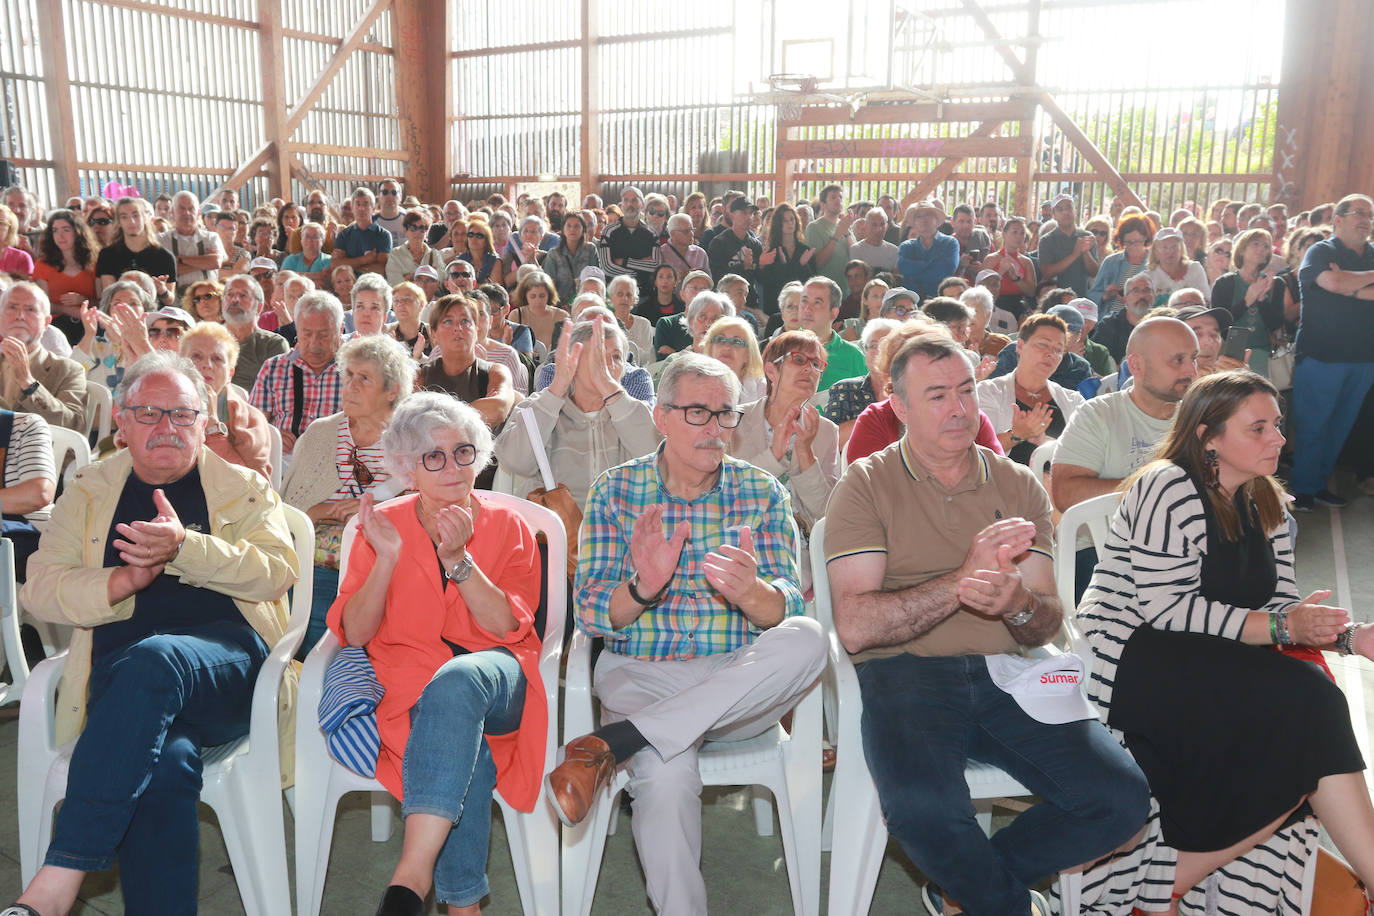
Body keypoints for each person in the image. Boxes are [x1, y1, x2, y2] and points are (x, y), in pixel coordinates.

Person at [824, 331, 1149, 916]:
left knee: (1121, 800)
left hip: (1009, 671)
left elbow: (1047, 620)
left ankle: (965, 890)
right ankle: (1006, 905)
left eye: (967, 391)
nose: (959, 408)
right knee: (923, 808)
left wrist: (1017, 605)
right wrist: (962, 581)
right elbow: (855, 626)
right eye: (938, 395)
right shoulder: (866, 484)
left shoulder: (1018, 483)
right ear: (898, 407)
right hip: (907, 672)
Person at [1075, 370, 1374, 915]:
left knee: (1307, 704)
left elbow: (1280, 602)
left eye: (1277, 426)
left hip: (1212, 651)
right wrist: (1285, 629)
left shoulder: (1268, 501)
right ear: (1208, 437)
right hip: (1134, 652)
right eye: (1258, 428)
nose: (1278, 440)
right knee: (1310, 704)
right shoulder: (1166, 484)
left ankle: (1173, 880)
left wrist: (1352, 636)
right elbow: (1166, 608)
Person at [8, 352, 296, 916]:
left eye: (182, 415)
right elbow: (38, 588)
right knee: (162, 771)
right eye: (148, 413)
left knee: (159, 659)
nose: (166, 427)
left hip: (227, 671)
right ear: (121, 420)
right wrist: (123, 580)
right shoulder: (89, 491)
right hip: (124, 688)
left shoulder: (242, 487)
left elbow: (277, 571)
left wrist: (185, 547)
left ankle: (60, 876)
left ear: (204, 421)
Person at [543, 353, 827, 915]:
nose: (716, 429)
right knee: (667, 778)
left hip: (736, 679)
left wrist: (754, 596)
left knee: (809, 637)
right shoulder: (615, 491)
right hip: (642, 674)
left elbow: (787, 604)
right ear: (662, 417)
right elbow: (595, 614)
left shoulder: (761, 491)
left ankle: (617, 744)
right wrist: (644, 587)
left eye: (725, 415)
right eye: (698, 413)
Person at [329, 393, 547, 916]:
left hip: (500, 680)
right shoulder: (381, 525)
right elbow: (355, 633)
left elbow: (505, 626)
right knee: (456, 736)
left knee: (456, 683)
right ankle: (463, 907)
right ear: (407, 468)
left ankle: (411, 875)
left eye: (464, 452)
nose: (453, 467)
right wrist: (385, 560)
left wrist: (460, 560)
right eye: (434, 457)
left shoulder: (508, 526)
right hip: (411, 693)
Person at [1050, 316, 1199, 599]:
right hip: (1101, 552)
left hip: (1184, 548)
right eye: (1177, 360)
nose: (1191, 370)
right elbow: (1066, 494)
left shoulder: (1202, 416)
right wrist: (1157, 487)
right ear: (1137, 365)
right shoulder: (1098, 415)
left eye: (1194, 358)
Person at [284, 334, 412, 654]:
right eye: (349, 376)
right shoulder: (322, 433)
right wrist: (327, 509)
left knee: (324, 634)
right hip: (310, 566)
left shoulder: (412, 441)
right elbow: (287, 513)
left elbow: (425, 513)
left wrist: (374, 509)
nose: (351, 386)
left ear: (392, 390)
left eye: (364, 378)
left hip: (376, 574)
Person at [493, 316, 659, 510]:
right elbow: (515, 462)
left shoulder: (632, 412)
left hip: (622, 532)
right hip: (557, 534)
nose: (608, 367)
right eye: (597, 357)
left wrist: (612, 393)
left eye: (616, 357)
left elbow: (657, 459)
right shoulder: (540, 407)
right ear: (572, 362)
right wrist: (556, 389)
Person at [1288, 194, 1374, 512]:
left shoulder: (1371, 254)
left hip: (1364, 357)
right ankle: (1303, 490)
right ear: (1337, 220)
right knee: (1314, 425)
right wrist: (1347, 284)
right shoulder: (1320, 250)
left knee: (1340, 426)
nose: (1365, 219)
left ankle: (1319, 484)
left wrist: (1351, 283)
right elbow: (1333, 283)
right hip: (1321, 355)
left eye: (1369, 214)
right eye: (1358, 213)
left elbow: (1339, 284)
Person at [729, 330, 840, 547]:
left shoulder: (826, 431)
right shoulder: (733, 420)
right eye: (799, 359)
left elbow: (826, 512)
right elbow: (727, 490)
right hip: (739, 537)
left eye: (817, 365)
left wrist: (805, 452)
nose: (810, 369)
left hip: (801, 548)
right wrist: (773, 457)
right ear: (771, 370)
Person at [420, 295, 518, 488]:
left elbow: (497, 410)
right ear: (434, 333)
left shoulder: (495, 372)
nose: (458, 328)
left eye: (465, 321)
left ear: (477, 328)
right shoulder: (420, 376)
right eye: (448, 321)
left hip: (484, 481)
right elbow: (411, 424)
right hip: (433, 478)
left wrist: (434, 419)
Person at [976, 313, 1084, 464]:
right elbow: (975, 453)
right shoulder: (988, 392)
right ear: (1020, 346)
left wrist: (1046, 442)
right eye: (1043, 344)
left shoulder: (1073, 400)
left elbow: (1085, 454)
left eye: (1058, 350)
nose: (1050, 354)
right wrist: (1016, 435)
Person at [250, 290, 344, 454]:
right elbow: (252, 426)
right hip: (283, 465)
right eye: (306, 333)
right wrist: (273, 437)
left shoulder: (356, 371)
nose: (314, 343)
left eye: (324, 334)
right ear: (296, 328)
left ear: (340, 329)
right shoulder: (273, 368)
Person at [177, 320, 272, 480]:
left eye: (217, 359)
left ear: (230, 373)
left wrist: (214, 428)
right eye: (196, 356)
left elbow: (255, 490)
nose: (206, 365)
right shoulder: (160, 411)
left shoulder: (251, 420)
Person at [0, 282, 88, 431]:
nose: (20, 316)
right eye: (12, 307)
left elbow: (73, 425)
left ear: (46, 322)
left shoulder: (68, 370)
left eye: (30, 309)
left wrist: (28, 383)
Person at [1211, 227, 1284, 378]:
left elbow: (1277, 325)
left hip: (1261, 353)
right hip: (1230, 353)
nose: (1261, 249)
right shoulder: (1224, 283)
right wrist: (1246, 301)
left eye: (1266, 246)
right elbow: (1219, 323)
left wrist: (1262, 299)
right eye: (1256, 243)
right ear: (1242, 250)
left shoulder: (1275, 284)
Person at [825, 317, 898, 450]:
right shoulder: (845, 389)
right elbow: (832, 441)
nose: (879, 351)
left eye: (886, 345)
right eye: (873, 345)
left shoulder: (911, 390)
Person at [32, 209, 99, 347]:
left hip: (90, 323)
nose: (60, 235)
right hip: (56, 326)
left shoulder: (94, 262)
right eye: (55, 230)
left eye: (66, 229)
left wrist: (82, 300)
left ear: (77, 232)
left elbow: (101, 301)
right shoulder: (43, 265)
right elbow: (41, 305)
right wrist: (68, 310)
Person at [220, 274, 289, 391]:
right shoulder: (207, 339)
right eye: (230, 294)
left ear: (259, 307)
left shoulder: (273, 344)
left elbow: (278, 393)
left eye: (243, 295)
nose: (235, 300)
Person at [796, 276, 866, 391]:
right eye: (804, 301)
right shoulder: (782, 347)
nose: (807, 309)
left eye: (817, 303)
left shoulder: (854, 356)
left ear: (834, 313)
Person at [95, 198, 176, 295]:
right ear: (119, 222)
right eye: (124, 217)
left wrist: (163, 291)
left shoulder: (165, 256)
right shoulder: (107, 255)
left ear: (145, 218)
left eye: (136, 215)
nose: (131, 221)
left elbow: (170, 299)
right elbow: (107, 295)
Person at [158, 191, 226, 294]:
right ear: (172, 212)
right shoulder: (161, 240)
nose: (187, 213)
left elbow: (215, 262)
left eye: (191, 209)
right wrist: (205, 262)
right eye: (182, 208)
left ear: (198, 213)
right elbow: (164, 271)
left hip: (208, 301)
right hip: (175, 304)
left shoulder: (211, 237)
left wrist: (180, 259)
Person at [1087, 214, 1155, 313]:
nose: (1133, 246)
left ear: (1146, 239)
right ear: (1121, 240)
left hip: (1141, 319)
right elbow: (1092, 296)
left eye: (1137, 242)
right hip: (1110, 318)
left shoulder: (1154, 263)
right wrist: (1106, 296)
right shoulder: (1111, 262)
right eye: (1128, 242)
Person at [1036, 194, 1099, 296]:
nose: (1065, 212)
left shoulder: (1087, 236)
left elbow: (1094, 272)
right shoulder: (1047, 240)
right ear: (1054, 215)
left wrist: (1085, 252)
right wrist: (1075, 254)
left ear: (1075, 211)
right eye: (1060, 209)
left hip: (1081, 298)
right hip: (1054, 299)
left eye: (1068, 207)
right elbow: (1047, 273)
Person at [896, 201, 960, 300]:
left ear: (937, 220)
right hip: (912, 304)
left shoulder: (950, 243)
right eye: (919, 216)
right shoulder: (906, 247)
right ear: (914, 224)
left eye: (928, 215)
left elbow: (945, 272)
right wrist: (931, 264)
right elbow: (903, 267)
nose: (923, 219)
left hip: (940, 302)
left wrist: (914, 274)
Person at [979, 216, 1037, 323]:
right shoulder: (991, 259)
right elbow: (981, 287)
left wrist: (1016, 278)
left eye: (1022, 233)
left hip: (1018, 306)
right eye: (1015, 232)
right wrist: (1000, 271)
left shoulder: (1026, 262)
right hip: (995, 304)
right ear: (1004, 234)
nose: (1019, 236)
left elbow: (1031, 292)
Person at [1091, 272, 1156, 365]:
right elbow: (1099, 360)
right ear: (1125, 299)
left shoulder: (1163, 324)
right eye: (1136, 291)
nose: (1142, 296)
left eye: (1147, 290)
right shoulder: (1108, 325)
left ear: (1154, 297)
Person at [707, 198, 763, 302]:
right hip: (726, 301)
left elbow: (761, 279)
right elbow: (717, 278)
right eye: (743, 213)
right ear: (731, 215)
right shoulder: (719, 243)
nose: (748, 217)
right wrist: (743, 267)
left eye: (751, 213)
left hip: (749, 300)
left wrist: (765, 265)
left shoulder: (755, 245)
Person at [703, 314, 767, 403]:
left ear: (748, 355)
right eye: (720, 340)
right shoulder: (693, 384)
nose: (726, 347)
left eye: (737, 342)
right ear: (710, 349)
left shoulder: (763, 389)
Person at [330, 188, 392, 276]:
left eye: (366, 204)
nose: (361, 208)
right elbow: (335, 265)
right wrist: (365, 260)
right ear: (352, 208)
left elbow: (381, 270)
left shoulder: (383, 235)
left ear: (374, 209)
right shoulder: (344, 235)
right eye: (357, 204)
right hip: (349, 286)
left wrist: (348, 263)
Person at [1142, 226, 1210, 305]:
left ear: (1181, 249)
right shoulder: (1148, 277)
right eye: (1165, 247)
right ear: (1155, 251)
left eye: (1174, 246)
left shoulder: (1195, 268)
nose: (1170, 251)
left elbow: (1207, 300)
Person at [805, 184, 856, 288]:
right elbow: (818, 263)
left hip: (847, 288)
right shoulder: (814, 227)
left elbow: (855, 256)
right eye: (833, 197)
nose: (838, 200)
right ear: (823, 204)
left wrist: (846, 232)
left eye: (840, 197)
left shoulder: (844, 224)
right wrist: (837, 234)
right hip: (825, 289)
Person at [542, 211, 598, 304]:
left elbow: (595, 278)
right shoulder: (554, 254)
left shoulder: (591, 250)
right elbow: (549, 286)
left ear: (583, 229)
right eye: (569, 226)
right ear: (563, 229)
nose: (572, 229)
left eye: (577, 226)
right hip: (560, 305)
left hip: (586, 303)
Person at [507, 270, 568, 353]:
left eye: (542, 296)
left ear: (549, 295)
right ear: (525, 296)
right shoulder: (516, 315)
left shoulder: (562, 316)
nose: (538, 301)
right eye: (533, 296)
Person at [384, 209, 445, 286]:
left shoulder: (434, 254)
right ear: (405, 230)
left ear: (427, 232)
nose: (417, 232)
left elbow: (441, 279)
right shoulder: (395, 254)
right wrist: (428, 276)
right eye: (413, 228)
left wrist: (411, 277)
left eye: (422, 228)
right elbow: (395, 283)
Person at [659, 213, 709, 282]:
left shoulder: (700, 253)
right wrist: (680, 276)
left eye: (692, 230)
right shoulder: (661, 253)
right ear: (673, 233)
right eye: (686, 231)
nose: (691, 234)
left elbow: (708, 280)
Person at [387, 280, 432, 357]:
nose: (400, 304)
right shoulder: (385, 332)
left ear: (421, 304)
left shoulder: (432, 333)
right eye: (396, 300)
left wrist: (420, 357)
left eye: (406, 299)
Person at [348, 272, 392, 338]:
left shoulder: (395, 348)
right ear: (353, 312)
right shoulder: (340, 345)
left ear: (384, 317)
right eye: (360, 307)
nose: (366, 314)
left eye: (374, 308)